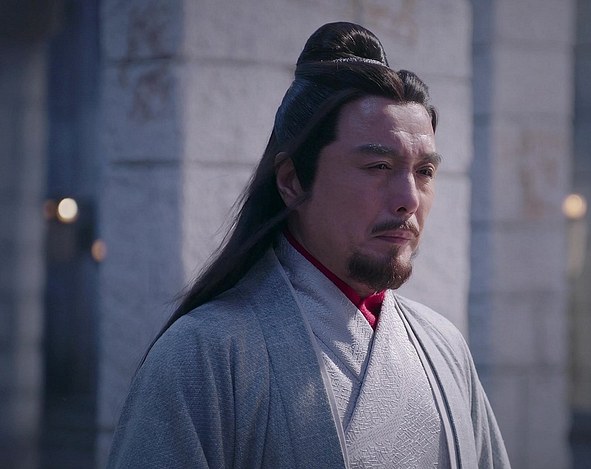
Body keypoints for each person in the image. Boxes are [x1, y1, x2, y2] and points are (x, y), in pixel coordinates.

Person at [108, 21, 510, 469]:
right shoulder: (204, 355)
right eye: (378, 166)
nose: (409, 200)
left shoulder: (444, 347)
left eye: (424, 172)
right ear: (292, 180)